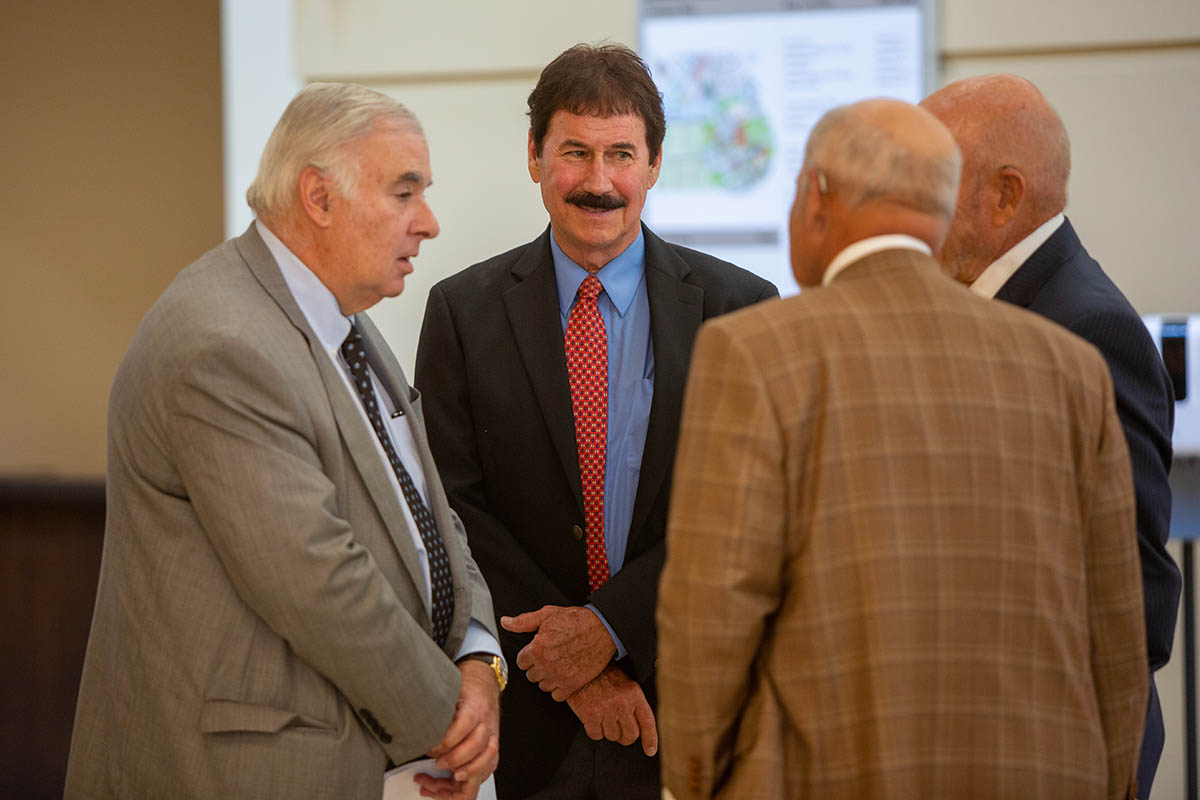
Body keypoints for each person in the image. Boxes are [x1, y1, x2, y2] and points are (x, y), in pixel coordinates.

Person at [656, 98, 1148, 800]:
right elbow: (1118, 634)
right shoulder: (1072, 368)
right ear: (942, 211)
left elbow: (712, 611)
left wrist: (694, 781)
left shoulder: (755, 353)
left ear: (816, 198)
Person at [65, 83, 505, 800]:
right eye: (404, 193)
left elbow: (428, 513)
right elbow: (318, 580)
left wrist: (481, 661)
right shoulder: (222, 340)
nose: (427, 222)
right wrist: (453, 718)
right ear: (319, 198)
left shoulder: (344, 322)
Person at [414, 44, 777, 799]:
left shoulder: (739, 310)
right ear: (534, 157)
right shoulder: (461, 312)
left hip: (687, 706)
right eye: (575, 152)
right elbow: (451, 505)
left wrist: (610, 631)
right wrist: (566, 662)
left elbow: (747, 511)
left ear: (654, 164)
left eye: (621, 154)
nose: (599, 181)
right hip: (528, 712)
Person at [920, 74, 1179, 794]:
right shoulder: (987, 306)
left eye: (930, 178)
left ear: (1006, 194)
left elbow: (1136, 600)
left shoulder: (1088, 328)